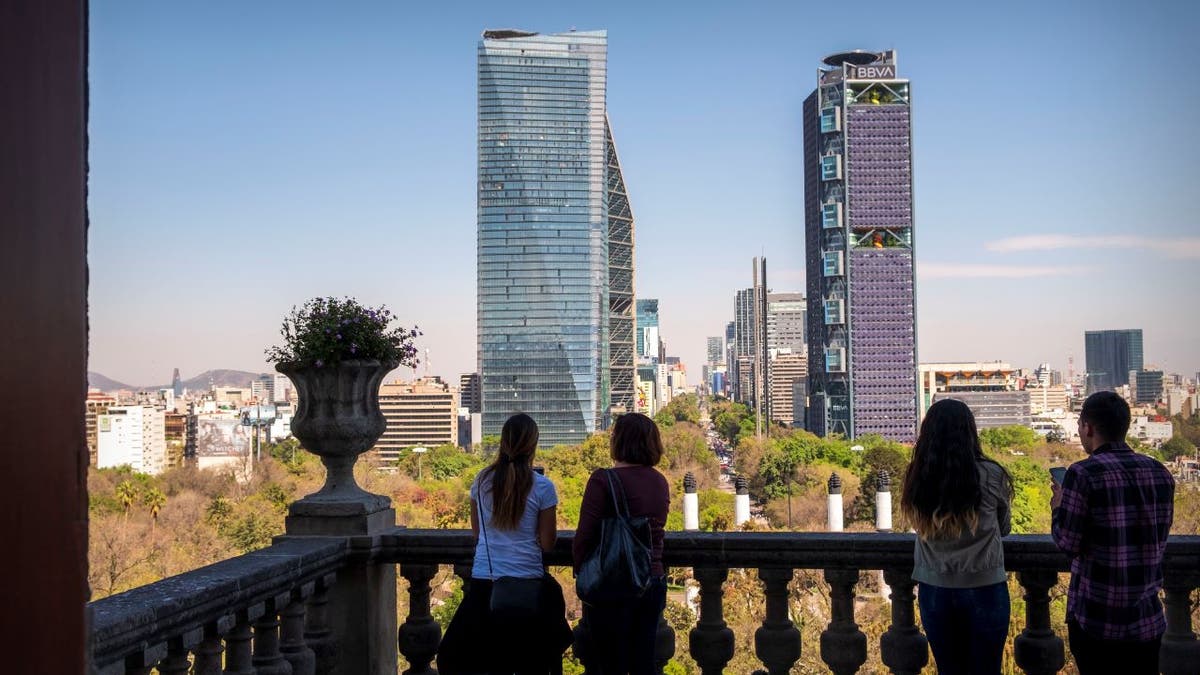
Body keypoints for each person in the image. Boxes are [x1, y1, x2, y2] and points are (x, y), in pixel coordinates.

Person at [437, 413, 572, 675]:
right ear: (533, 445)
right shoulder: (543, 487)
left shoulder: (481, 482)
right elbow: (547, 543)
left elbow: (478, 535)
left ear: (502, 442)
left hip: (484, 585)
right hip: (527, 588)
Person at [1051, 391, 1175, 675]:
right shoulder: (1159, 472)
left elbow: (1067, 543)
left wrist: (1059, 507)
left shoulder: (1083, 474)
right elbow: (1160, 535)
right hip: (1147, 618)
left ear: (1088, 428)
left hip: (1097, 618)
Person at [900, 398, 1014, 675]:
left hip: (934, 585)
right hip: (985, 584)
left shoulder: (918, 477)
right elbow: (1004, 527)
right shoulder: (992, 474)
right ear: (970, 432)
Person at [572, 413, 670, 675]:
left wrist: (582, 571)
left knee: (607, 664)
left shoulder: (602, 480)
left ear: (619, 441)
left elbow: (584, 536)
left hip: (611, 581)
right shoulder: (660, 482)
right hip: (651, 578)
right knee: (644, 662)